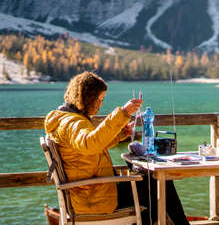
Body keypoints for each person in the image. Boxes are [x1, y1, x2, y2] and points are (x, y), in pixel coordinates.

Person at [44, 71, 190, 224]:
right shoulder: (73, 123)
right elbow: (90, 144)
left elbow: (94, 145)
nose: (101, 104)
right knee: (156, 183)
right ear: (87, 98)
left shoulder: (65, 120)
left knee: (152, 184)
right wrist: (124, 112)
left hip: (89, 194)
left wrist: (120, 134)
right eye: (99, 100)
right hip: (95, 200)